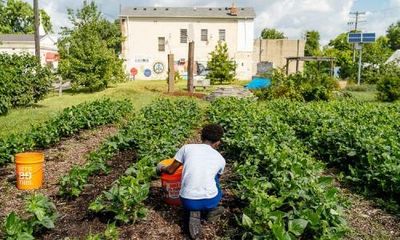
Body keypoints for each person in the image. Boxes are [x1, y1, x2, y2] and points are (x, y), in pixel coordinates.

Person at [157, 124, 226, 239]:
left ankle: (194, 212)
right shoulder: (220, 159)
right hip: (211, 200)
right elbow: (216, 180)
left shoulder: (187, 148)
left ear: (201, 137)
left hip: (188, 201)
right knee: (215, 181)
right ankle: (210, 210)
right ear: (218, 142)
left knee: (192, 199)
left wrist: (161, 168)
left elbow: (170, 170)